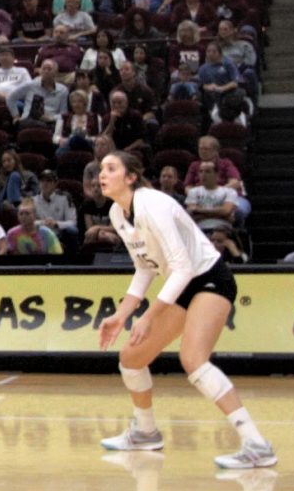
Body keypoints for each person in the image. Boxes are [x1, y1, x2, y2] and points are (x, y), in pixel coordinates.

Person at [92, 150, 275, 468]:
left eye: (111, 168)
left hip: (209, 279)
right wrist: (121, 315)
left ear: (131, 177)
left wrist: (148, 317)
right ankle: (146, 432)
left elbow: (183, 267)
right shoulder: (117, 214)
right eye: (100, 170)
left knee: (193, 360)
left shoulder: (153, 205)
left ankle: (256, 444)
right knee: (131, 359)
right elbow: (145, 268)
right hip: (182, 282)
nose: (101, 175)